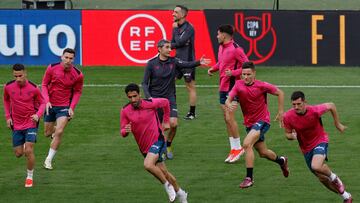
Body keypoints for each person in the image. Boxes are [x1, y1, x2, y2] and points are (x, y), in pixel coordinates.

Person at [142, 39, 210, 159]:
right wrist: (149, 98)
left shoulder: (174, 61)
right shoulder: (151, 64)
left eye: (170, 47)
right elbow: (144, 83)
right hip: (156, 100)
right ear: (159, 49)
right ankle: (161, 149)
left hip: (169, 99)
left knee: (173, 124)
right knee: (160, 127)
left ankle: (168, 145)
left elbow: (187, 64)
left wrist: (199, 62)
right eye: (167, 47)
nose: (170, 49)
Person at [120, 83, 188, 203]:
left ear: (139, 94)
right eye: (130, 97)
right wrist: (125, 131)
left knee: (147, 165)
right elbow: (122, 131)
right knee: (164, 172)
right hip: (144, 147)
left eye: (135, 96)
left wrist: (166, 121)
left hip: (158, 140)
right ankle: (181, 194)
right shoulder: (125, 111)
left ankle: (168, 186)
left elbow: (166, 102)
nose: (133, 99)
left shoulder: (150, 103)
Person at [225, 61, 289, 188]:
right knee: (263, 152)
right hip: (249, 124)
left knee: (246, 144)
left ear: (254, 73)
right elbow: (228, 99)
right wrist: (229, 104)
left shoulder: (261, 85)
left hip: (263, 121)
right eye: (244, 74)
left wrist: (281, 111)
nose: (246, 77)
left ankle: (249, 178)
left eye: (248, 74)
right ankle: (282, 161)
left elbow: (280, 93)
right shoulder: (238, 85)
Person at [283, 91, 352, 202]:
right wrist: (292, 136)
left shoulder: (314, 110)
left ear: (305, 102)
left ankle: (334, 178)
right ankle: (346, 196)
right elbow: (287, 134)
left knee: (316, 165)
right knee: (322, 178)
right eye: (293, 104)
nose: (296, 107)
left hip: (320, 141)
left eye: (299, 104)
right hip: (306, 149)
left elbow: (331, 105)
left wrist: (337, 124)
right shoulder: (288, 116)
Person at [207, 24, 248, 163]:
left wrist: (234, 73)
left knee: (230, 117)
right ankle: (233, 149)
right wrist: (213, 69)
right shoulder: (221, 47)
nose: (217, 36)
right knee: (226, 119)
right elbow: (221, 62)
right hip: (223, 87)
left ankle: (239, 148)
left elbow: (248, 65)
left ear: (224, 35)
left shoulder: (236, 49)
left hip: (233, 88)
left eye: (218, 34)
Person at [3, 64, 45, 187]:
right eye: (15, 76)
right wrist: (8, 117)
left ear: (25, 73)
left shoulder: (34, 88)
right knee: (18, 153)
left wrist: (38, 115)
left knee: (28, 150)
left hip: (31, 122)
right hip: (16, 123)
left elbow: (42, 103)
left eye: (20, 76)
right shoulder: (8, 87)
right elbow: (6, 100)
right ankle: (25, 146)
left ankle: (29, 177)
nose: (18, 79)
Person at [41, 48, 84, 170]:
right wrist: (47, 101)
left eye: (71, 58)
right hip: (50, 105)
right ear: (62, 57)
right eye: (66, 57)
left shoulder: (78, 75)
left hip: (64, 106)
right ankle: (53, 131)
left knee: (59, 132)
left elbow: (77, 92)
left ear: (73, 59)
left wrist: (72, 107)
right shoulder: (51, 68)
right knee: (47, 133)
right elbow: (44, 85)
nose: (68, 60)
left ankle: (48, 160)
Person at [171, 5, 197, 120]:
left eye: (176, 12)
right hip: (177, 60)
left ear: (182, 15)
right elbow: (173, 44)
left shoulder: (189, 28)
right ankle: (170, 108)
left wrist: (175, 33)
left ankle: (192, 113)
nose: (173, 14)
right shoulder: (175, 27)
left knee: (190, 87)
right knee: (168, 81)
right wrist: (172, 44)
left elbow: (180, 42)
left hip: (188, 61)